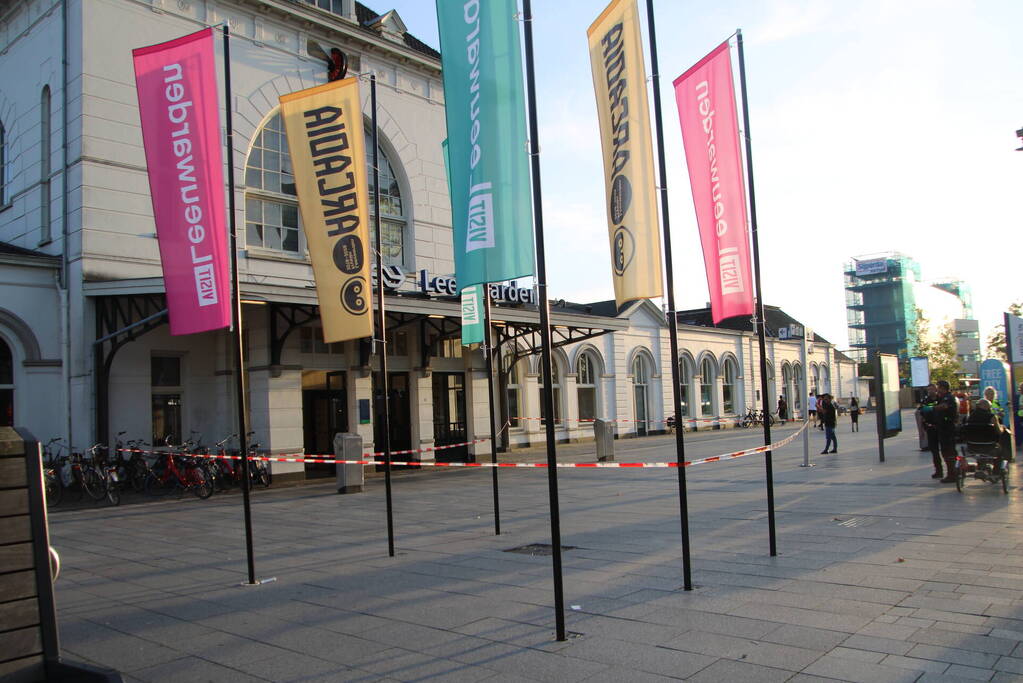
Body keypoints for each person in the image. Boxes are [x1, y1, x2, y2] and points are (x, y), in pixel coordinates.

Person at [934, 380, 960, 483]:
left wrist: (933, 408)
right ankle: (953, 472)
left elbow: (944, 406)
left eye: (938, 387)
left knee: (949, 452)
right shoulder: (942, 397)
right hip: (944, 428)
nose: (937, 389)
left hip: (947, 429)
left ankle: (952, 474)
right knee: (947, 452)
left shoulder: (948, 397)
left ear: (942, 388)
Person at [918, 384, 941, 478]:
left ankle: (951, 471)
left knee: (946, 450)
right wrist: (921, 430)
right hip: (930, 428)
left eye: (932, 389)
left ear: (936, 389)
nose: (930, 391)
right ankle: (938, 471)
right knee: (934, 451)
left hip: (942, 427)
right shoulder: (925, 400)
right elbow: (921, 415)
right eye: (928, 390)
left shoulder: (941, 399)